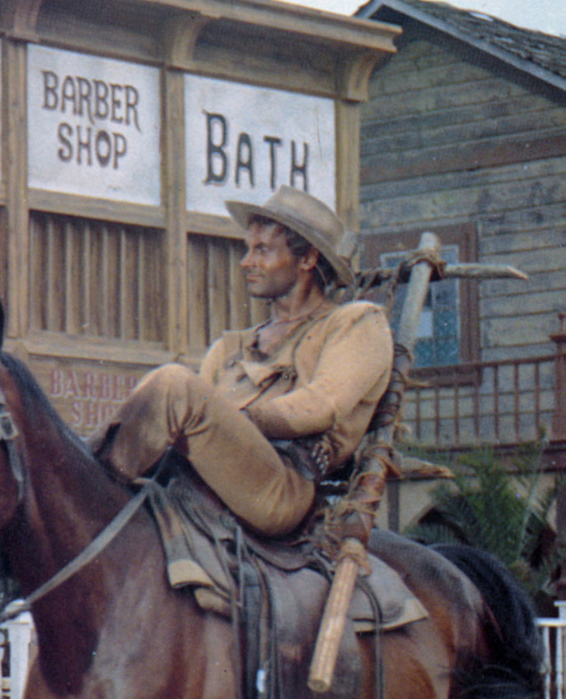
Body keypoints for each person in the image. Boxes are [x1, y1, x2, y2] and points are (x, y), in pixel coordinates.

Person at [95, 185, 393, 538]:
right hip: (207, 475)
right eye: (248, 249)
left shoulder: (355, 322)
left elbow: (321, 406)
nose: (246, 262)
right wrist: (209, 423)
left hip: (282, 486)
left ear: (308, 259)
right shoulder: (230, 347)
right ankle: (85, 474)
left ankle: (89, 484)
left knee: (173, 382)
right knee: (162, 386)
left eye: (262, 250)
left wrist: (226, 422)